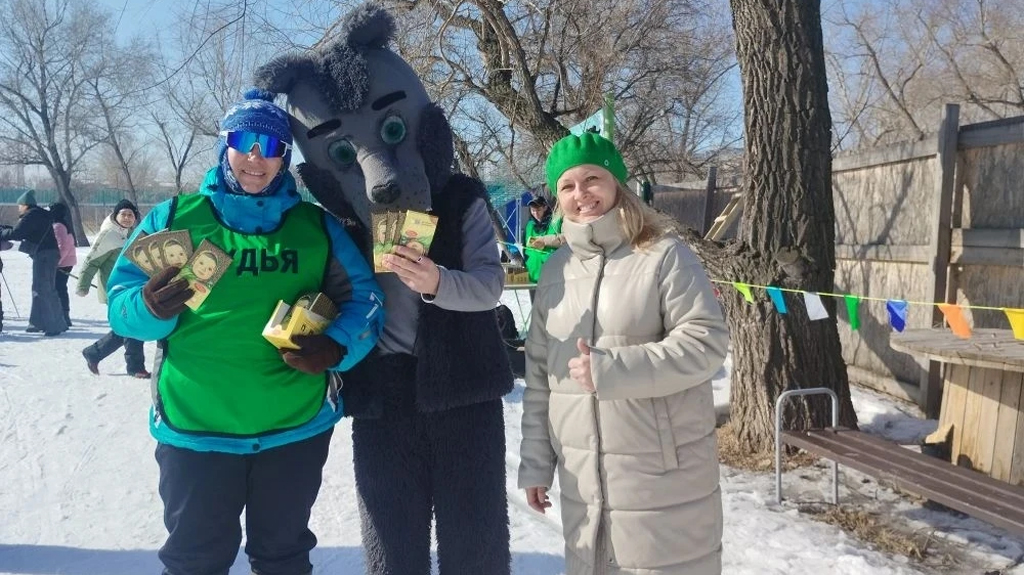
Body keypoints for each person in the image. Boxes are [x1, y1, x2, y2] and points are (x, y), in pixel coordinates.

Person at [104, 88, 385, 575]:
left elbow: (367, 299)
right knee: (195, 561)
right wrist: (147, 307)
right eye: (245, 142)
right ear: (225, 145)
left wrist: (336, 346)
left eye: (271, 146)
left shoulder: (315, 227)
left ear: (284, 158)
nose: (256, 157)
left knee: (283, 559)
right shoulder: (175, 218)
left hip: (293, 429)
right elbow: (119, 304)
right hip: (196, 430)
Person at [518, 132, 730, 575]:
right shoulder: (555, 272)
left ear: (617, 183)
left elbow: (706, 342)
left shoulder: (664, 255)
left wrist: (613, 370)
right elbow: (539, 376)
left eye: (592, 179)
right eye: (567, 186)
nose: (581, 193)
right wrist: (537, 463)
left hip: (660, 479)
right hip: (582, 482)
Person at [77, 200, 150, 377]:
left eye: (130, 215)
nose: (127, 218)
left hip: (131, 288)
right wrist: (83, 285)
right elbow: (91, 261)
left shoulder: (133, 234)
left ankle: (94, 353)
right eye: (123, 214)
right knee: (131, 325)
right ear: (116, 216)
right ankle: (135, 367)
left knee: (128, 325)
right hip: (114, 290)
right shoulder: (109, 235)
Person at [0, 190, 66, 336]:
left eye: (19, 205)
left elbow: (17, 233)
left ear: (25, 205)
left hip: (44, 255)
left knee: (43, 289)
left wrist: (1, 233)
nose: (18, 208)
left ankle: (53, 326)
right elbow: (20, 230)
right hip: (48, 254)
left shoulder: (31, 215)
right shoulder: (39, 214)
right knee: (42, 288)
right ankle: (37, 323)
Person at [522, 193, 562, 285]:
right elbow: (524, 248)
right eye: (533, 210)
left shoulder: (556, 222)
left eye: (539, 210)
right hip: (532, 275)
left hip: (552, 275)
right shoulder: (529, 225)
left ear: (545, 208)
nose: (536, 213)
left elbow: (564, 241)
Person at [49, 201, 77, 327]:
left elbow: (62, 247)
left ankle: (63, 316)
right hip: (67, 261)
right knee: (61, 288)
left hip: (62, 263)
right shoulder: (63, 224)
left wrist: (56, 262)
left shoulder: (58, 226)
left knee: (59, 288)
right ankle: (63, 315)